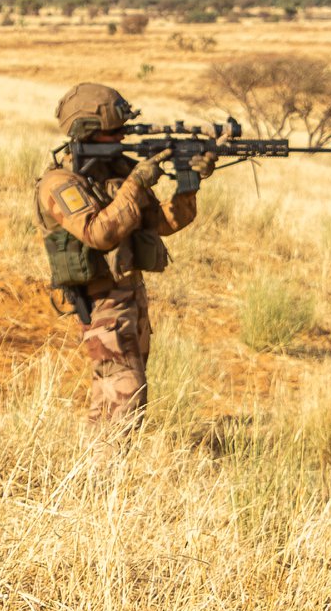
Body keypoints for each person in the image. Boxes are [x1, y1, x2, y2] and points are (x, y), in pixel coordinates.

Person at [33, 83, 217, 425]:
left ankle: (94, 472)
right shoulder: (60, 182)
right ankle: (102, 473)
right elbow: (98, 233)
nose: (122, 137)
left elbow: (162, 222)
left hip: (130, 294)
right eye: (113, 131)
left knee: (113, 393)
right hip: (100, 299)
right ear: (87, 131)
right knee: (126, 392)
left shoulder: (114, 172)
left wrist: (189, 183)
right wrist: (136, 182)